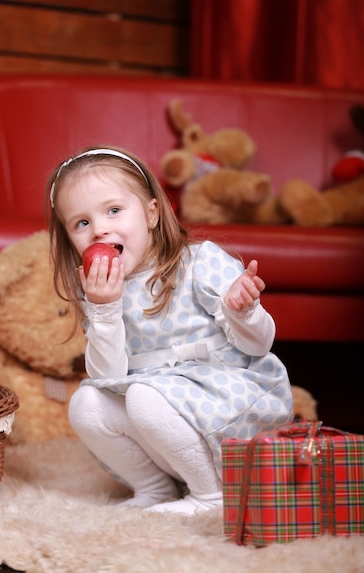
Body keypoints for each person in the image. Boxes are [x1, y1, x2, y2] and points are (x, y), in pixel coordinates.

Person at [46, 145, 293, 516]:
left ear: (151, 213)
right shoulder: (98, 291)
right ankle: (155, 489)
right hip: (160, 411)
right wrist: (105, 309)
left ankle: (211, 495)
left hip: (230, 401)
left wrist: (243, 312)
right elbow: (107, 376)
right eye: (81, 223)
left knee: (145, 396)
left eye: (113, 210)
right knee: (86, 403)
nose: (99, 229)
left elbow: (260, 344)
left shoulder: (199, 261)